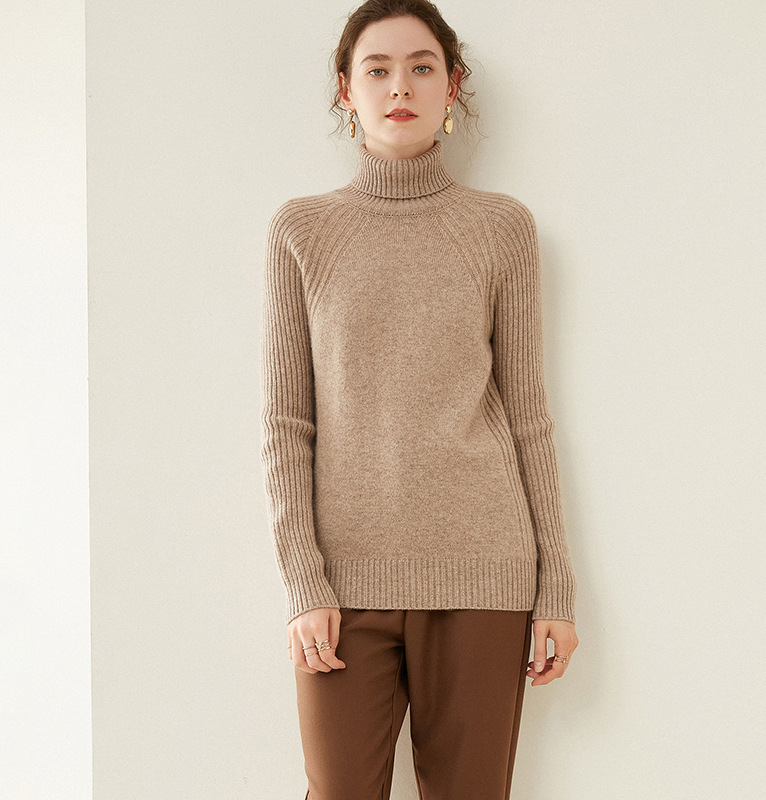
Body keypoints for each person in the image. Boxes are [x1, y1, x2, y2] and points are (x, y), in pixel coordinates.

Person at [260, 1, 579, 797]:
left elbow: (529, 417)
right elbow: (287, 425)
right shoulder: (302, 230)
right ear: (347, 89)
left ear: (452, 85)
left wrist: (556, 589)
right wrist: (304, 582)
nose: (399, 86)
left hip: (484, 574)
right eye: (377, 69)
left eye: (421, 67)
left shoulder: (502, 228)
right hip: (344, 588)